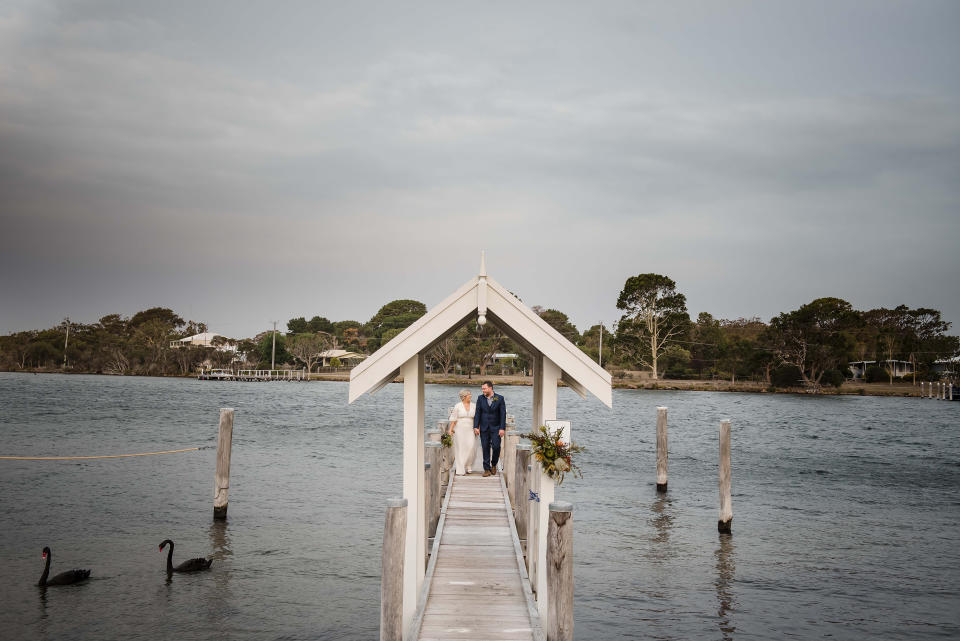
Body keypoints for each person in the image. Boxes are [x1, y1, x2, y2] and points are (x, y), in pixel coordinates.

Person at [473, 380, 505, 477]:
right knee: (485, 447)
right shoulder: (480, 398)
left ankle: (494, 464)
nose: (483, 390)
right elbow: (478, 413)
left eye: (484, 388)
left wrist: (502, 428)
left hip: (496, 427)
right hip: (484, 427)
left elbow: (503, 414)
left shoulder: (500, 398)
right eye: (482, 388)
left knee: (496, 446)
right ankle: (486, 469)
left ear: (490, 388)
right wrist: (475, 426)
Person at [448, 389, 478, 476]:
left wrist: (477, 428)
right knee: (460, 448)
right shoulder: (458, 406)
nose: (471, 396)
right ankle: (461, 468)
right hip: (459, 429)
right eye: (469, 395)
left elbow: (477, 418)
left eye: (470, 394)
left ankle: (468, 465)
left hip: (470, 428)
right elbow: (454, 419)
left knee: (471, 446)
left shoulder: (474, 406)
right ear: (464, 397)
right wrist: (450, 429)